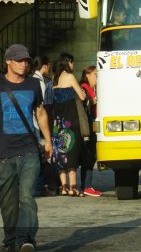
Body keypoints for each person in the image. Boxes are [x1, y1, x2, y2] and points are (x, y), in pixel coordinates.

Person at [0, 44, 52, 252]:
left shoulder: (33, 85)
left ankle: (26, 239)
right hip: (5, 153)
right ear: (8, 61)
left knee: (26, 195)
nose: (24, 64)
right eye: (19, 60)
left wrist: (48, 140)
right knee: (8, 201)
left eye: (26, 60)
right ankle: (10, 240)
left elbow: (40, 112)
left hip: (30, 149)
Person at [51, 53, 87, 196]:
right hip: (71, 120)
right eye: (72, 62)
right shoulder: (70, 77)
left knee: (60, 152)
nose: (73, 65)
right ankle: (73, 187)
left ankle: (63, 186)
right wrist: (82, 92)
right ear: (68, 62)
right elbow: (82, 96)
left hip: (58, 121)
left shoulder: (55, 79)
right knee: (72, 151)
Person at [31, 56, 58, 196]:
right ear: (45, 66)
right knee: (40, 156)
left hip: (35, 123)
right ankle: (39, 185)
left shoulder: (36, 80)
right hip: (35, 124)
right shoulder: (39, 83)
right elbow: (39, 109)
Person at [78, 66, 102, 197]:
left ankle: (87, 184)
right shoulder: (84, 87)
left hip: (95, 123)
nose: (96, 77)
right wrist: (94, 100)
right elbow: (85, 102)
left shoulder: (94, 88)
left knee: (92, 155)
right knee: (89, 155)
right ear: (87, 74)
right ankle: (86, 185)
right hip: (89, 124)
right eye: (94, 74)